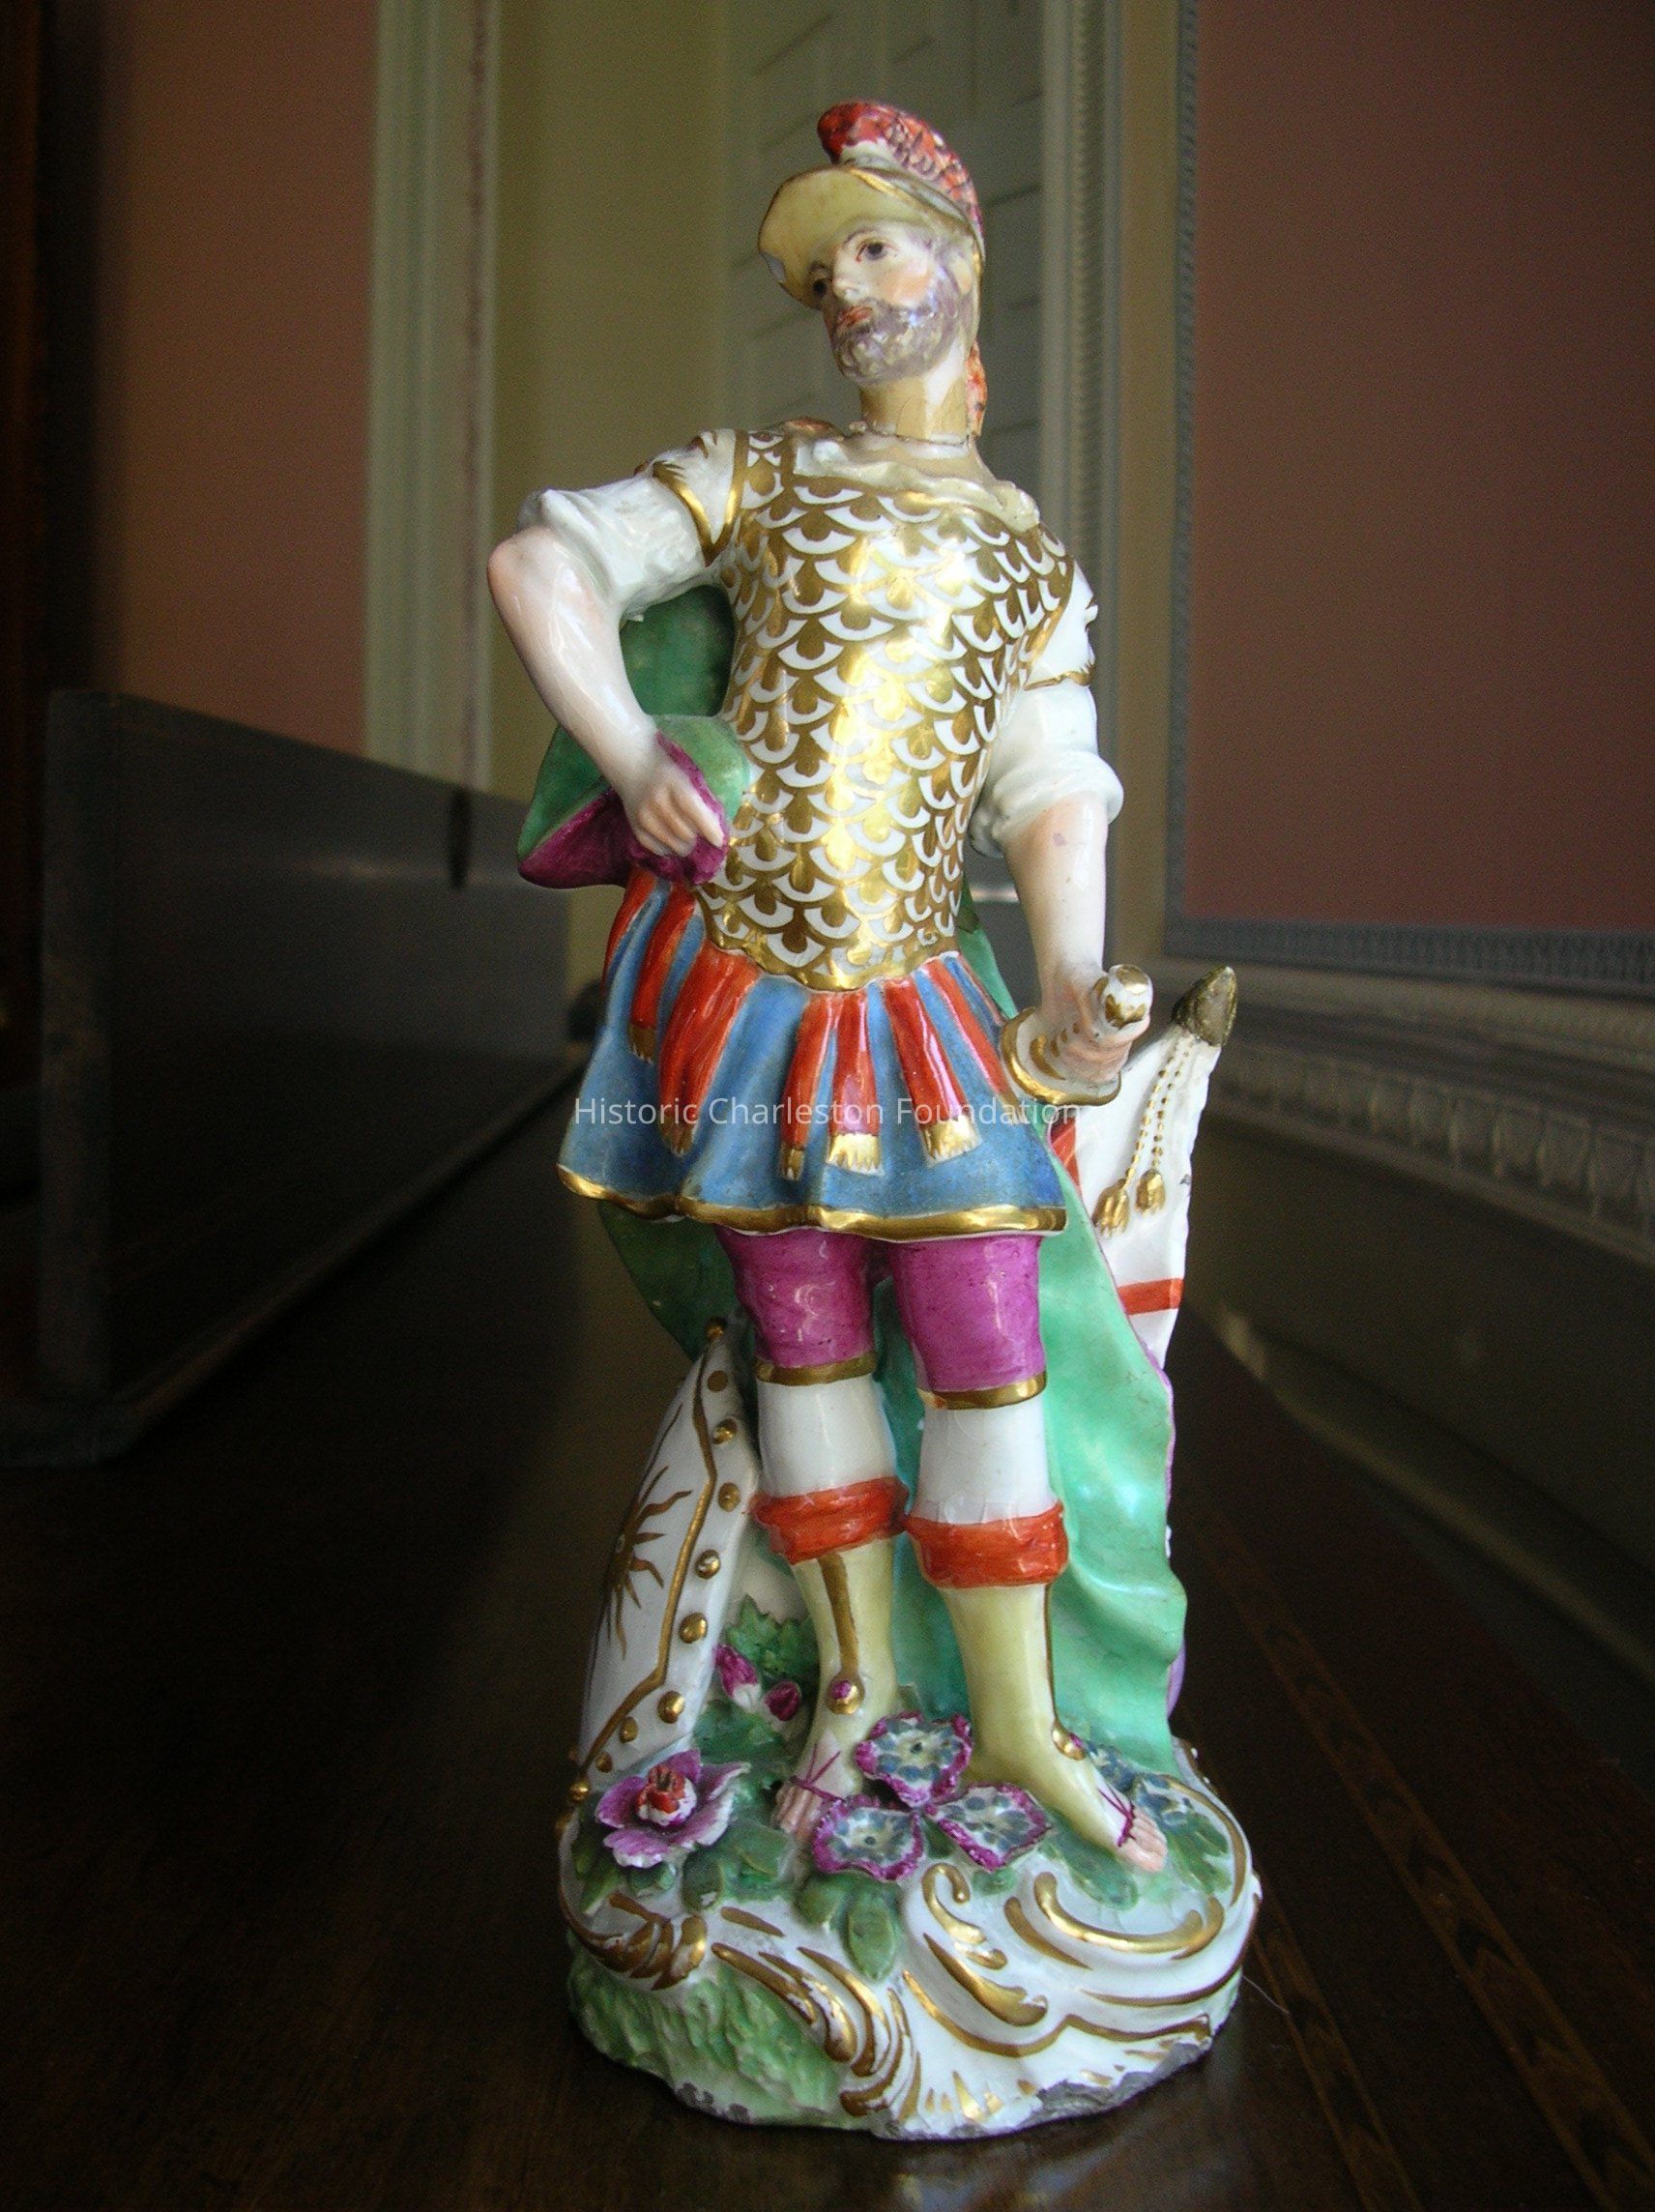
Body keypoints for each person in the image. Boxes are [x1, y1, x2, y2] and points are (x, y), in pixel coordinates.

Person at [491, 102, 1170, 1869]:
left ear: (960, 265)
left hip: (921, 1000)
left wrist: (1076, 985)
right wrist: (631, 748)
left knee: (986, 1337)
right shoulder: (762, 475)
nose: (848, 289)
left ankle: (1016, 1717)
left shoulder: (1028, 559)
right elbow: (542, 565)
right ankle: (858, 1684)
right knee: (801, 1337)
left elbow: (1052, 787)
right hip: (752, 987)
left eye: (877, 247)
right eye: (823, 271)